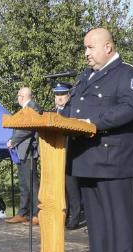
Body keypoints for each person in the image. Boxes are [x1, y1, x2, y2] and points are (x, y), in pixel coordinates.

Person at [65, 27, 133, 252]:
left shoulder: (129, 75)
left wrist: (92, 123)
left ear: (108, 47)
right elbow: (72, 109)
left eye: (90, 47)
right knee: (96, 220)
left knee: (118, 218)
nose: (86, 53)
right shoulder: (85, 77)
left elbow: (130, 108)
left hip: (114, 159)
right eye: (85, 48)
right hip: (87, 157)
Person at [5, 87, 41, 225]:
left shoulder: (33, 107)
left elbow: (28, 127)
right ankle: (23, 213)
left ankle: (37, 214)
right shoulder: (25, 109)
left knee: (31, 183)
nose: (18, 98)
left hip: (29, 151)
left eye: (19, 95)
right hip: (21, 151)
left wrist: (13, 141)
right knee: (24, 184)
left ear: (22, 96)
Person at [51, 81, 83, 230]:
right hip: (55, 157)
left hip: (70, 155)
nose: (59, 97)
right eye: (57, 94)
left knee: (72, 189)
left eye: (62, 94)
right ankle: (62, 216)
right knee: (60, 189)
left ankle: (74, 218)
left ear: (69, 95)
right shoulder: (52, 112)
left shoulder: (71, 110)